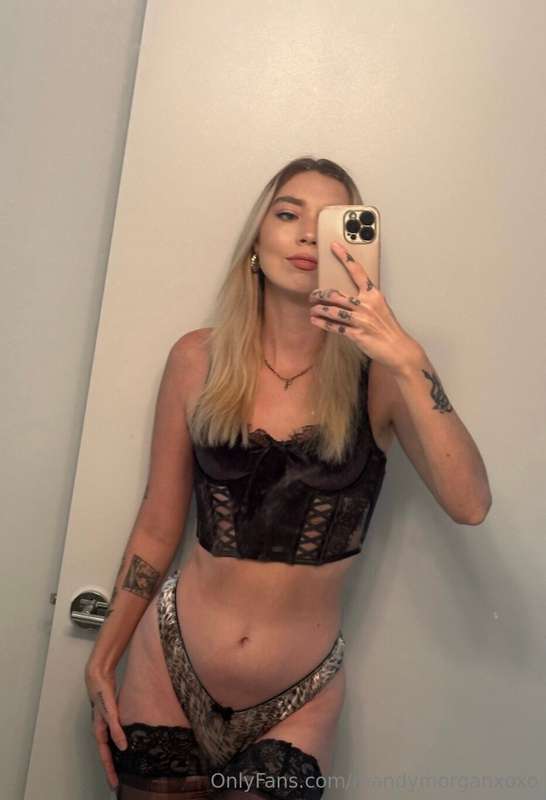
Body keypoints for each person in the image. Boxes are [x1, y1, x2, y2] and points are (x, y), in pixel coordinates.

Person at [85, 157, 492, 799]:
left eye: (329, 222)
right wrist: (103, 656)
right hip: (167, 668)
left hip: (297, 697)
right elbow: (158, 525)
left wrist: (408, 358)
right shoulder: (196, 360)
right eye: (287, 213)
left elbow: (470, 504)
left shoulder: (382, 379)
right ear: (257, 239)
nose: (306, 234)